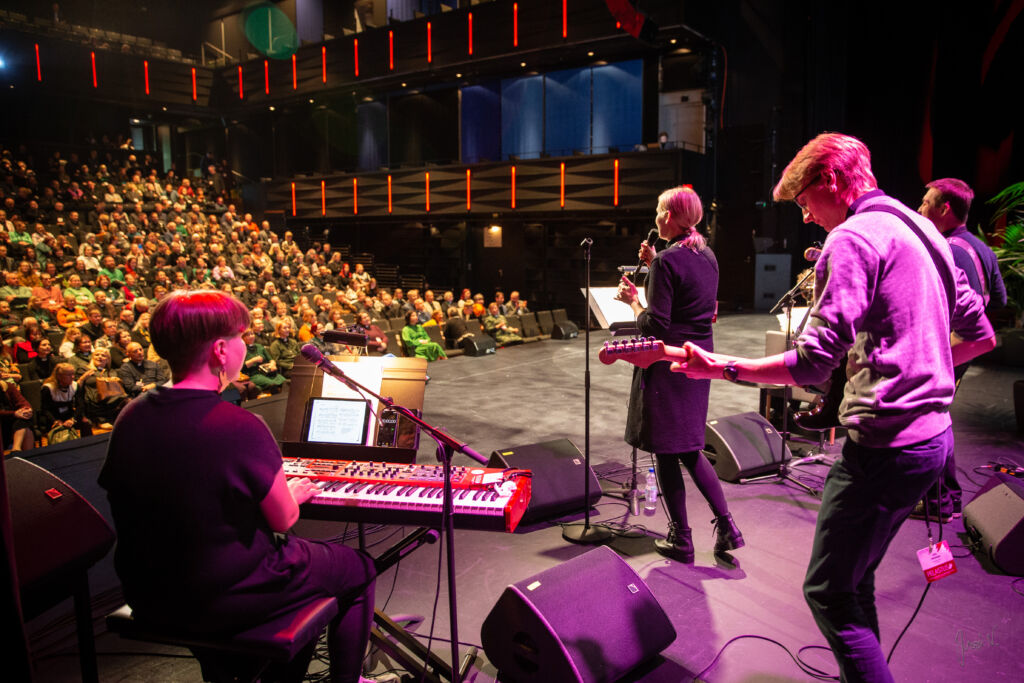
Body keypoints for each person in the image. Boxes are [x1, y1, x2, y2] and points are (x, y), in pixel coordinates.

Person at [669, 134, 995, 682]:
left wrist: (718, 366)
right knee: (852, 580)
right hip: (933, 442)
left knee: (828, 592)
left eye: (804, 203)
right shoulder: (928, 233)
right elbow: (981, 335)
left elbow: (813, 364)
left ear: (832, 183)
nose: (807, 218)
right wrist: (926, 365)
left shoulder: (853, 238)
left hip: (886, 448)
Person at [98, 291, 377, 683]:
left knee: (303, 575)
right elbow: (283, 519)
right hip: (223, 596)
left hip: (150, 594)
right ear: (220, 350)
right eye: (241, 337)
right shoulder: (239, 425)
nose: (245, 345)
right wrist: (293, 493)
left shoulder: (131, 416)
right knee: (358, 568)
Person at [614, 185, 743, 563]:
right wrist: (656, 262)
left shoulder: (667, 263)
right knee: (689, 447)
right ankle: (727, 526)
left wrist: (635, 299)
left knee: (668, 453)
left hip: (667, 366)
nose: (655, 217)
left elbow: (655, 325)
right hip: (697, 363)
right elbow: (691, 300)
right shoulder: (707, 256)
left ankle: (682, 538)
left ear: (669, 217)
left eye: (658, 210)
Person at [911, 177, 1008, 522]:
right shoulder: (981, 247)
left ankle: (939, 501)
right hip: (966, 343)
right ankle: (945, 498)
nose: (920, 209)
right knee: (939, 419)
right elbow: (999, 300)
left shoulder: (947, 249)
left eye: (925, 203)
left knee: (932, 421)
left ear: (945, 208)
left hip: (950, 343)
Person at [241, 327, 287, 394]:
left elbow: (271, 360)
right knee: (272, 384)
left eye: (252, 334)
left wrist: (272, 365)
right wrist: (253, 360)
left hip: (268, 372)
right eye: (248, 335)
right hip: (254, 375)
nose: (251, 336)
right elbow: (241, 368)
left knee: (285, 382)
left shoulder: (259, 346)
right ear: (243, 338)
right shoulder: (242, 350)